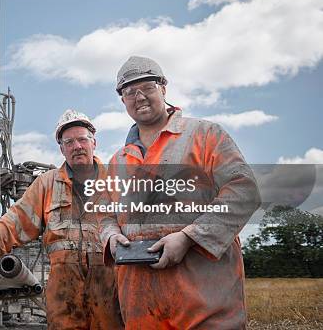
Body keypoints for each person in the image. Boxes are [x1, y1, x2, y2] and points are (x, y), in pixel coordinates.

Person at [98, 56, 261, 329]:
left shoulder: (204, 135)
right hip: (141, 309)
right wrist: (111, 236)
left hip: (205, 302)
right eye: (129, 92)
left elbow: (244, 191)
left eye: (147, 87)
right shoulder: (118, 161)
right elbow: (105, 213)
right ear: (122, 100)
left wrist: (189, 237)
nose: (139, 97)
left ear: (163, 88)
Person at [0, 109, 124, 330]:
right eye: (69, 142)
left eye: (82, 139)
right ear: (62, 149)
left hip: (110, 288)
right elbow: (17, 219)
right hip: (65, 294)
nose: (77, 146)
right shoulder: (47, 184)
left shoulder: (115, 180)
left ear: (94, 143)